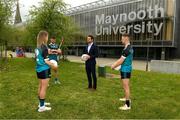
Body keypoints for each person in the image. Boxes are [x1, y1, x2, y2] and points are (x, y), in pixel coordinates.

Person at [111, 33, 133, 110]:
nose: (121, 40)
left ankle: (127, 105)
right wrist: (117, 65)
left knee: (126, 86)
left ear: (126, 38)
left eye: (122, 38)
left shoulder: (127, 49)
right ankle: (126, 97)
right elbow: (122, 59)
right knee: (125, 85)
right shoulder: (128, 47)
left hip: (126, 69)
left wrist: (114, 66)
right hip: (125, 68)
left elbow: (121, 60)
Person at [35, 30, 55, 112]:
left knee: (40, 86)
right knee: (44, 88)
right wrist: (54, 65)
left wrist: (52, 51)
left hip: (39, 69)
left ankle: (41, 103)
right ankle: (42, 107)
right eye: (47, 36)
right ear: (44, 37)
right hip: (44, 69)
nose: (48, 38)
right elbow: (46, 61)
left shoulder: (38, 47)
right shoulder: (44, 47)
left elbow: (43, 55)